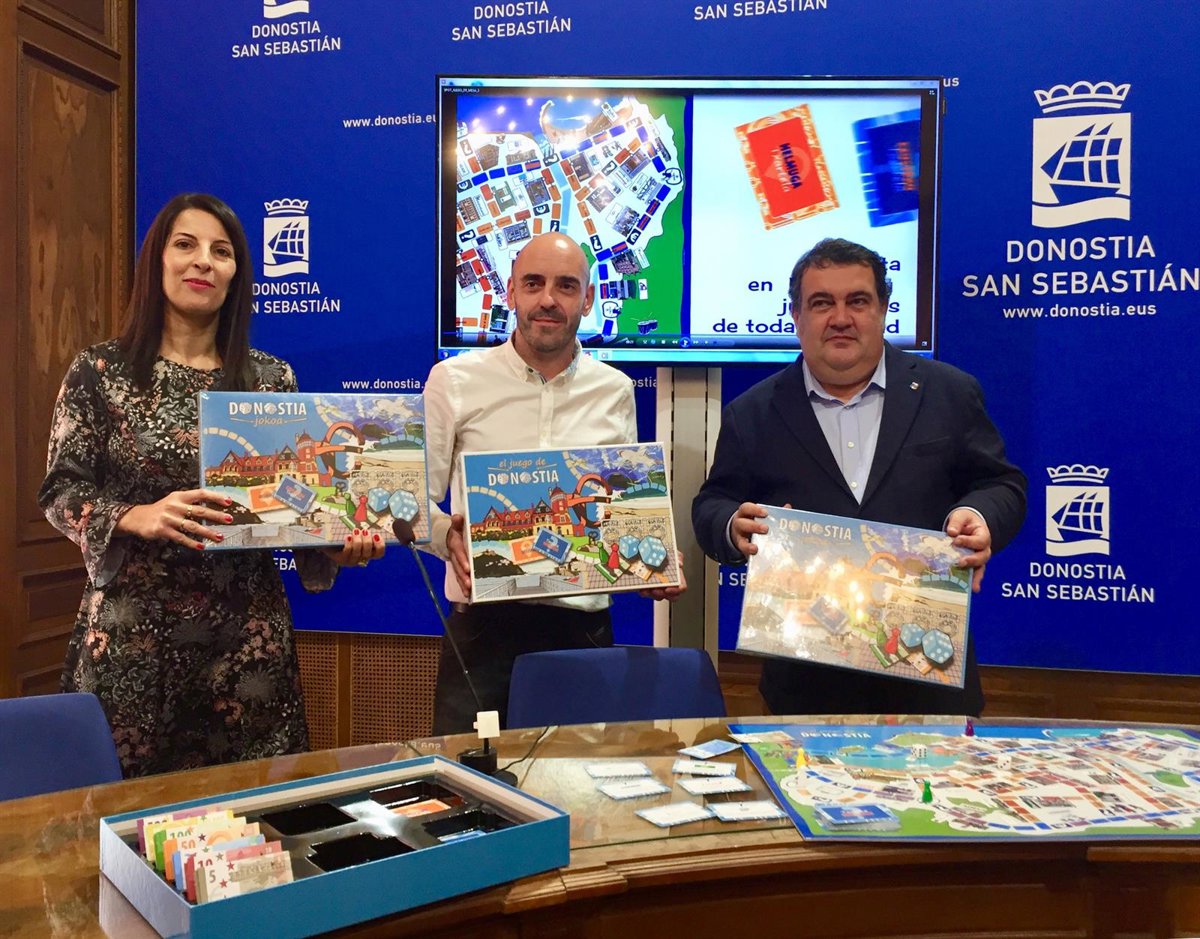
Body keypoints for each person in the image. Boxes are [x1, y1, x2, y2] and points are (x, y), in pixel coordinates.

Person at [39, 193, 383, 777]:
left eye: (221, 252)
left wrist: (335, 543)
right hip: (135, 637)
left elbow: (295, 504)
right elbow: (60, 493)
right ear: (157, 260)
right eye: (186, 244)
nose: (203, 260)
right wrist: (134, 514)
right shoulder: (101, 371)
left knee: (253, 808)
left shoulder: (271, 379)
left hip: (247, 640)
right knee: (130, 811)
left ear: (236, 274)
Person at [692, 238, 1026, 717]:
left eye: (858, 301)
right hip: (805, 688)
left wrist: (979, 515)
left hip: (929, 677)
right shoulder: (753, 412)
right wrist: (732, 524)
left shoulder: (949, 393)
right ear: (796, 315)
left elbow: (1002, 485)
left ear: (883, 309)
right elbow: (713, 503)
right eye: (821, 303)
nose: (841, 318)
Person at [423, 232, 682, 734]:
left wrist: (648, 561)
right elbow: (413, 498)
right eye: (533, 283)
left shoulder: (615, 390)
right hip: (483, 631)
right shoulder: (453, 380)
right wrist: (445, 535)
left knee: (578, 774)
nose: (548, 299)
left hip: (581, 631)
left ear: (587, 299)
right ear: (510, 292)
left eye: (566, 286)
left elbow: (616, 509)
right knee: (471, 774)